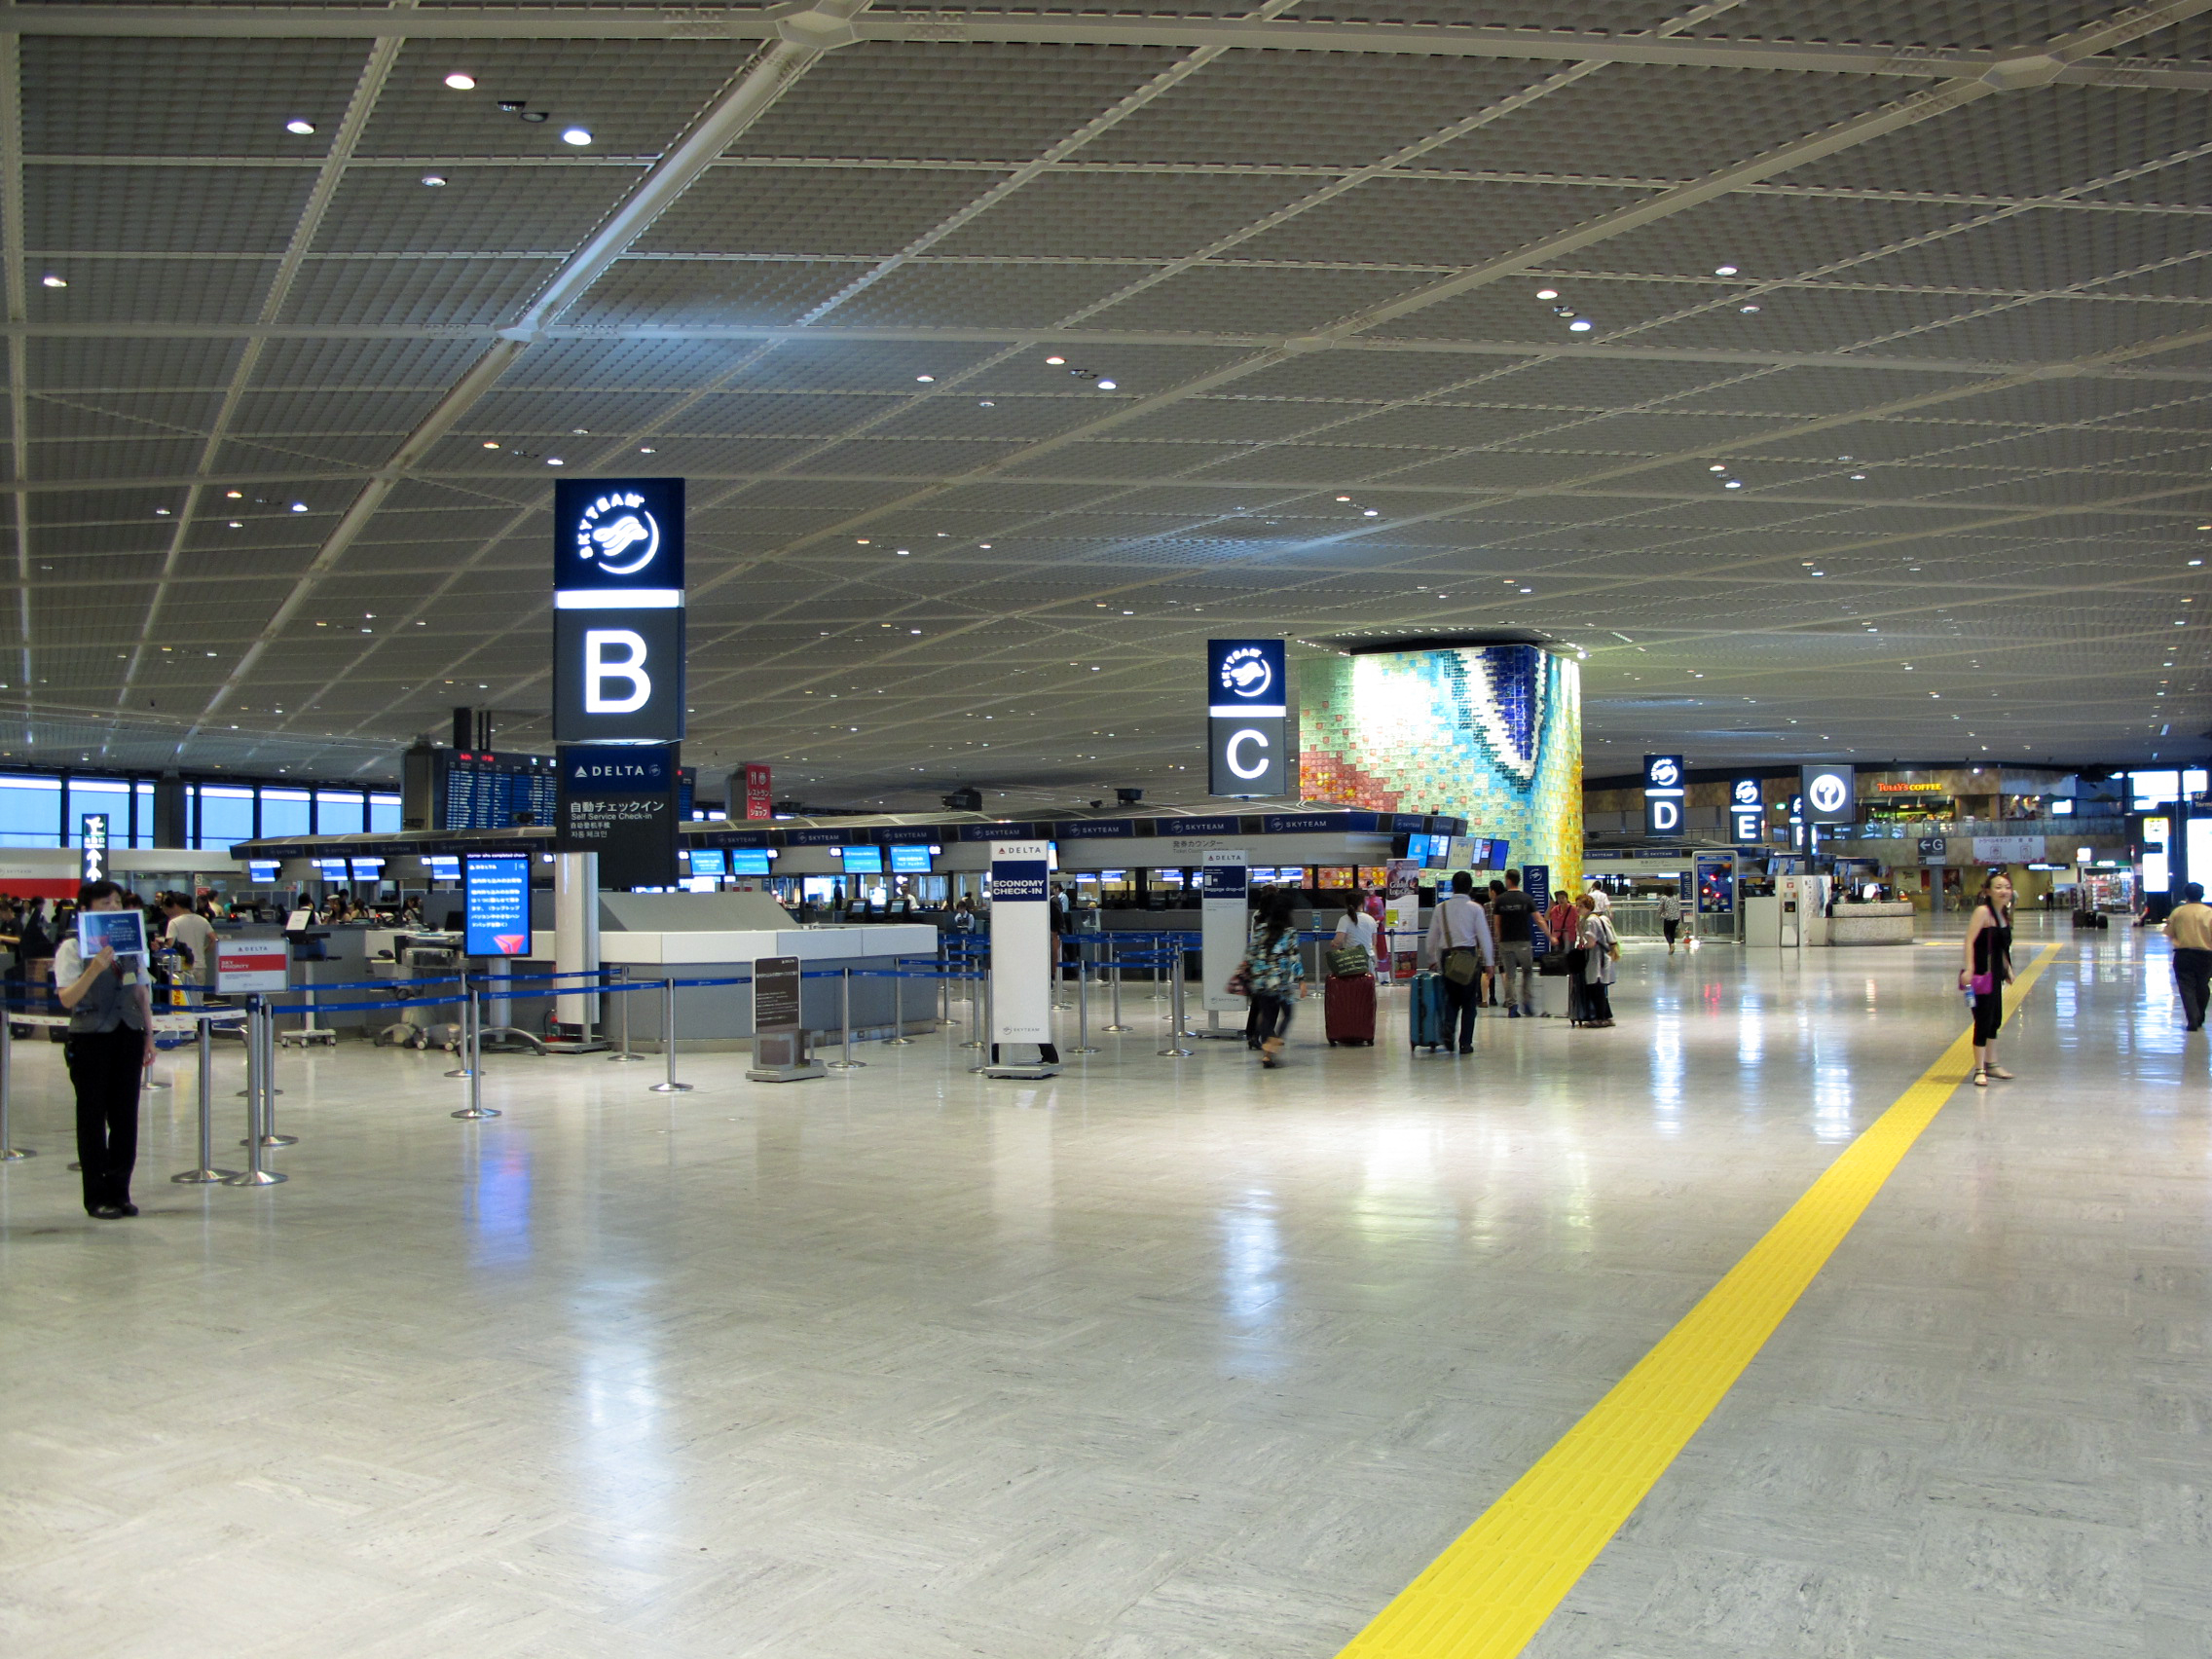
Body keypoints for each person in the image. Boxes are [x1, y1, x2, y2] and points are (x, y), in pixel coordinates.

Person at [54, 879, 155, 1220]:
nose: (113, 909)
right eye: (104, 904)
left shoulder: (131, 944)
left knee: (126, 1118)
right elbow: (67, 998)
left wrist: (149, 1036)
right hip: (91, 1037)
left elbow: (141, 992)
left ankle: (120, 1191)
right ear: (85, 911)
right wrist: (94, 967)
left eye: (116, 903)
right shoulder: (71, 948)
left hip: (128, 1034)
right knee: (92, 1119)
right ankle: (95, 1196)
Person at [1420, 871, 1494, 1053]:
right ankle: (1465, 1043)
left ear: (1452, 887)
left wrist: (1431, 959)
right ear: (1470, 887)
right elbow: (1484, 936)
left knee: (1451, 999)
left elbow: (1431, 938)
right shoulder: (1476, 908)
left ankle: (1448, 1032)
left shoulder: (1441, 908)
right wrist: (1490, 962)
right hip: (1468, 957)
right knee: (1469, 1002)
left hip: (1448, 957)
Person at [1961, 870, 2016, 1086]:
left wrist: (2008, 969)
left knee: (1995, 1019)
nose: (2004, 891)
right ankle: (1979, 1069)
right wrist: (1969, 968)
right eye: (1998, 887)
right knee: (1983, 1020)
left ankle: (1992, 1064)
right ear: (1987, 891)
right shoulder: (1983, 912)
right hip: (1981, 973)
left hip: (1995, 975)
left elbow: (2001, 948)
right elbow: (1969, 941)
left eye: (2007, 887)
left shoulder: (2003, 914)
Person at [1242, 889, 1304, 1068]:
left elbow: (1251, 954)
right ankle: (1272, 1046)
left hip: (1261, 982)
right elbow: (1294, 957)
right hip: (1280, 984)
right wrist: (1301, 980)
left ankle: (1268, 1053)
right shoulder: (1290, 933)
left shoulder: (1261, 930)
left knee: (1267, 1017)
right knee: (1288, 1014)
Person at [1490, 868, 1542, 1017]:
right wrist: (1549, 935)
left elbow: (1497, 923)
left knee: (1510, 975)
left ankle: (1512, 1006)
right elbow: (1538, 919)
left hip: (1506, 942)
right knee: (1527, 971)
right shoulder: (1526, 898)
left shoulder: (1500, 900)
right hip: (1523, 941)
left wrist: (1499, 939)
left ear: (1508, 880)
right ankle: (1527, 1003)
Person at [2167, 882, 2212, 1033]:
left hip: (2184, 954)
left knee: (2186, 987)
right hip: (2206, 955)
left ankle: (2192, 1018)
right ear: (2202, 894)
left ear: (2186, 895)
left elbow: (2169, 933)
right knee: (2203, 985)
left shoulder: (2178, 912)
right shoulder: (2209, 913)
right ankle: (2200, 1016)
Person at [1576, 893, 1619, 1028]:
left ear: (1588, 907)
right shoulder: (1598, 918)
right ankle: (1607, 1017)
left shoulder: (1590, 921)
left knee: (1595, 988)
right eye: (1577, 906)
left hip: (1597, 958)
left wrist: (1581, 947)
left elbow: (1591, 942)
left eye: (1581, 906)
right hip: (1603, 957)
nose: (1578, 909)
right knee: (1599, 988)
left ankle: (1599, 1018)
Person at [159, 892, 215, 994]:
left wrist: (160, 946)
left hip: (182, 967)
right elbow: (214, 940)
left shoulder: (174, 922)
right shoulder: (202, 920)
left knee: (182, 1000)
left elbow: (169, 945)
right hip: (200, 966)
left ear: (176, 905)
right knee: (198, 998)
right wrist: (204, 951)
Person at [1332, 887, 1378, 972]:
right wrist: (1376, 961)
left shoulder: (1344, 919)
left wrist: (1333, 943)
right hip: (1368, 959)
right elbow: (1374, 942)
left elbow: (1339, 940)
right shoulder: (1371, 919)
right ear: (1362, 903)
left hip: (1350, 960)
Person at [1658, 885, 1683, 955]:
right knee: (1672, 932)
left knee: (1666, 932)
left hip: (1668, 917)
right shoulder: (1675, 897)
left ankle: (1671, 945)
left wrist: (1658, 915)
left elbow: (1660, 907)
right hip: (1676, 917)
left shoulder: (1664, 898)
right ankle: (1671, 947)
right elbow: (1678, 907)